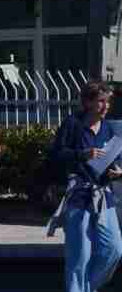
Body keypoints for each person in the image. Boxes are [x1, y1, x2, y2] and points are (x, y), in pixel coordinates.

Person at [47, 80, 122, 292]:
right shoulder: (73, 124)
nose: (106, 106)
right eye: (101, 101)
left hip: (103, 193)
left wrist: (119, 172)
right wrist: (82, 154)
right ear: (88, 102)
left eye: (108, 102)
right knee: (80, 255)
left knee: (114, 249)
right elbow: (56, 155)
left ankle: (87, 288)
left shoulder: (108, 128)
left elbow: (115, 157)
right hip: (79, 194)